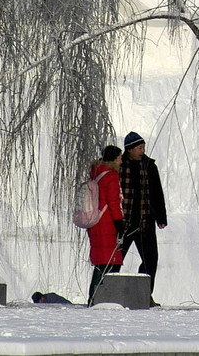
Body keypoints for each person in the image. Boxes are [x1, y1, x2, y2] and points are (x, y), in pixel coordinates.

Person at [118, 131, 168, 306]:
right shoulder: (120, 165)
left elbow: (156, 193)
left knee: (150, 260)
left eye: (143, 147)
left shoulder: (149, 166)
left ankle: (144, 295)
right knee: (115, 260)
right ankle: (107, 294)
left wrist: (161, 217)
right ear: (129, 149)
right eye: (139, 147)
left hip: (145, 222)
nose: (142, 150)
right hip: (123, 223)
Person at [86, 144, 125, 306]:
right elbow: (113, 202)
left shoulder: (96, 174)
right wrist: (120, 223)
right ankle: (101, 299)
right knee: (110, 262)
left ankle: (93, 298)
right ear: (114, 159)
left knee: (101, 263)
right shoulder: (111, 176)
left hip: (95, 222)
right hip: (107, 223)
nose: (121, 161)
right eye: (120, 158)